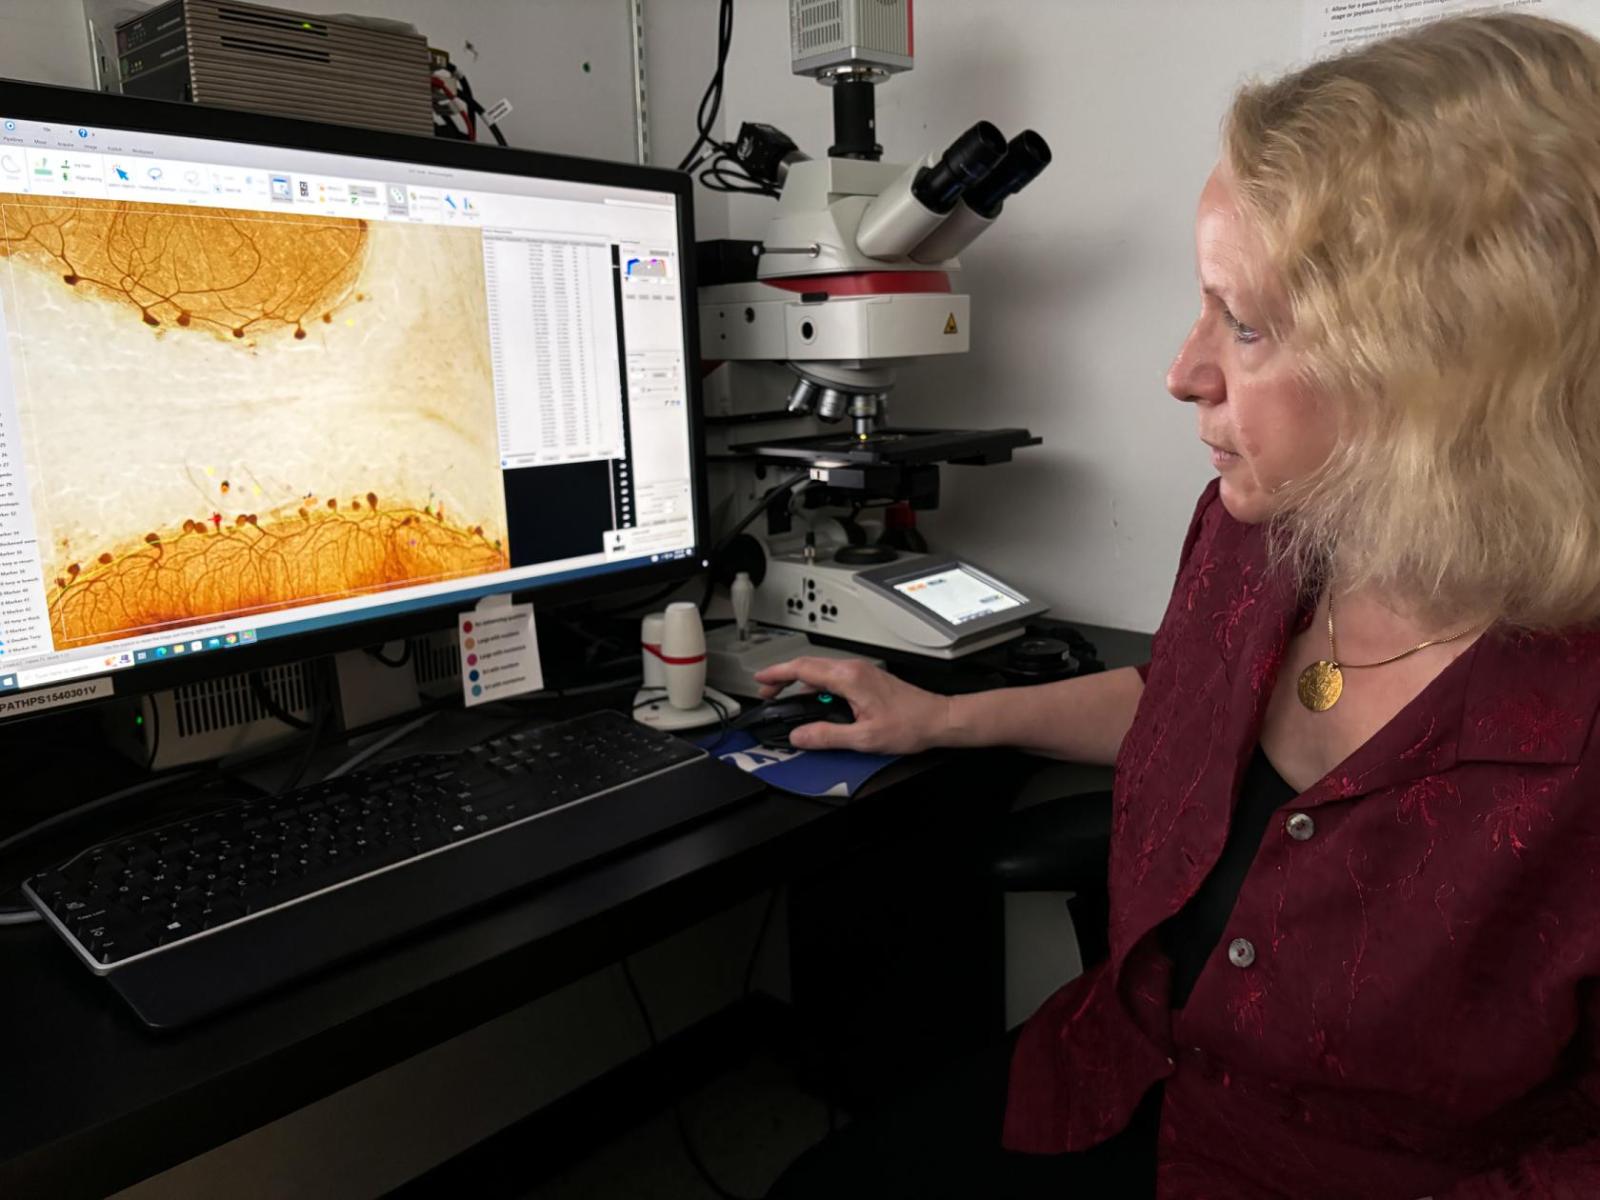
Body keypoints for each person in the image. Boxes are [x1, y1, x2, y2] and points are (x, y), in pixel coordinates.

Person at [761, 12, 1600, 1199]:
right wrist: (938, 721)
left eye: (1244, 322)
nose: (1182, 370)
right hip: (1127, 1070)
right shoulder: (1259, 527)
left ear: (1446, 370)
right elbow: (1184, 709)